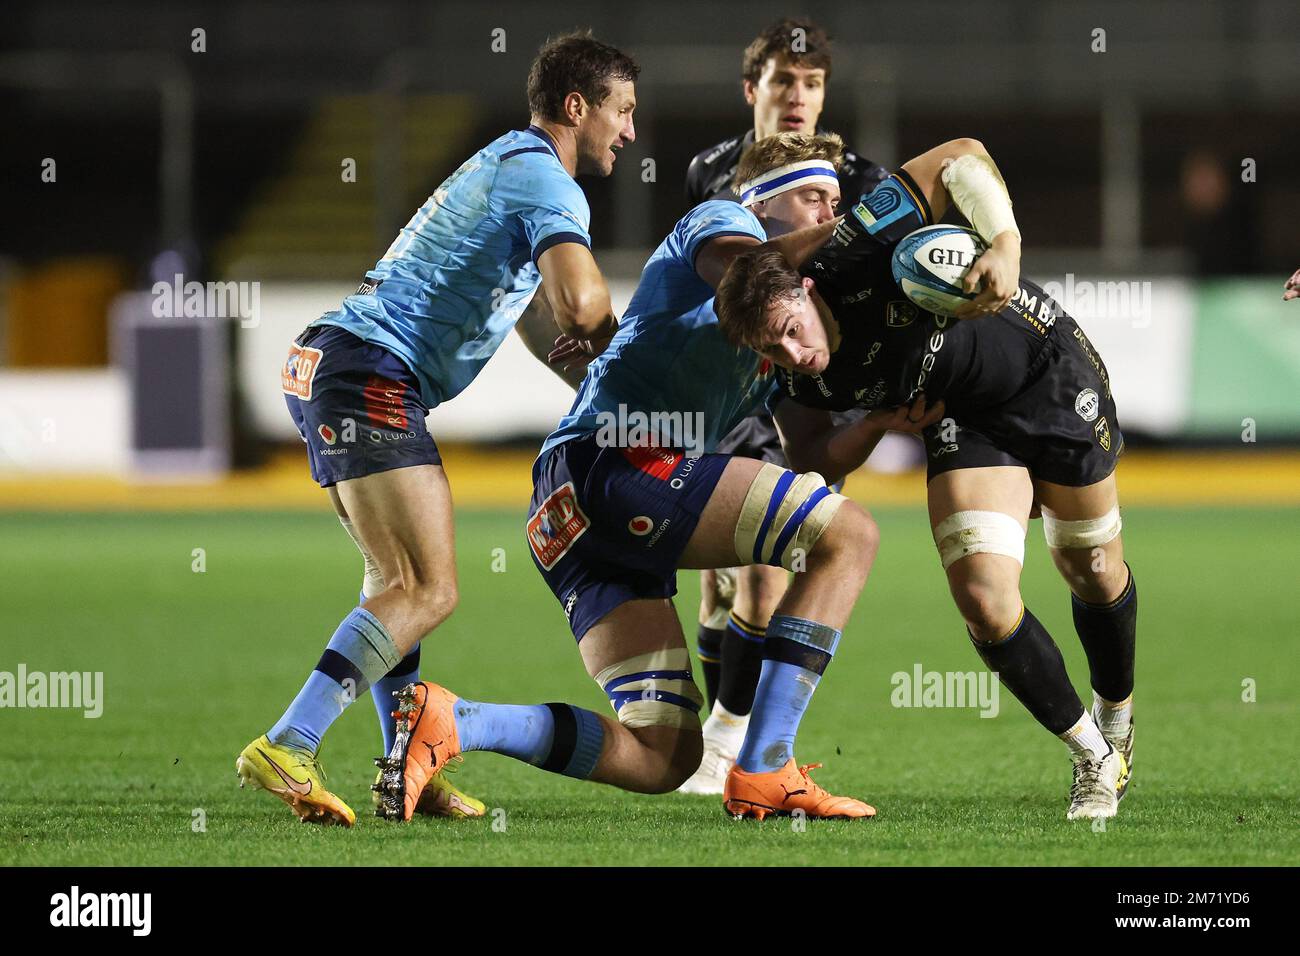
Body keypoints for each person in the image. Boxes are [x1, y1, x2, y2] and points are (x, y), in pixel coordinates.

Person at [374, 135, 1010, 823]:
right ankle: (766, 767)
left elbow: (816, 460)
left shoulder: (783, 317)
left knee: (663, 755)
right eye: (811, 196)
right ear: (761, 203)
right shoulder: (721, 225)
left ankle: (455, 723)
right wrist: (873, 233)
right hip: (615, 465)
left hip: (566, 513)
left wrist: (878, 420)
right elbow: (751, 267)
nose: (829, 206)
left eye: (835, 197)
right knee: (849, 535)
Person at [235, 32, 638, 826]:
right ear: (577, 106)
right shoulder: (549, 183)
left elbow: (531, 313)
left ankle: (406, 763)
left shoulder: (507, 166)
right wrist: (631, 371)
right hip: (369, 374)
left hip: (333, 362)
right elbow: (584, 306)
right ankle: (289, 739)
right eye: (622, 111)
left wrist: (594, 385)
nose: (630, 132)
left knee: (394, 586)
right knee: (430, 587)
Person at [715, 133, 1137, 820]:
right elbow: (816, 458)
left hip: (1046, 372)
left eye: (793, 329)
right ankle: (1095, 755)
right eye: (774, 348)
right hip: (961, 417)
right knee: (983, 596)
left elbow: (958, 156)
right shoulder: (790, 378)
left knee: (1089, 565)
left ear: (809, 288)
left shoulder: (852, 250)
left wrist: (1004, 244)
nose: (797, 355)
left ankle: (1117, 712)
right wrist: (875, 425)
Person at [679, 18, 889, 793]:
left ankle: (730, 743)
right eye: (783, 82)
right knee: (722, 580)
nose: (798, 97)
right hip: (731, 388)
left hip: (804, 393)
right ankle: (728, 741)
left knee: (770, 570)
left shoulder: (860, 179)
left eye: (813, 84)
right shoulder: (708, 171)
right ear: (752, 89)